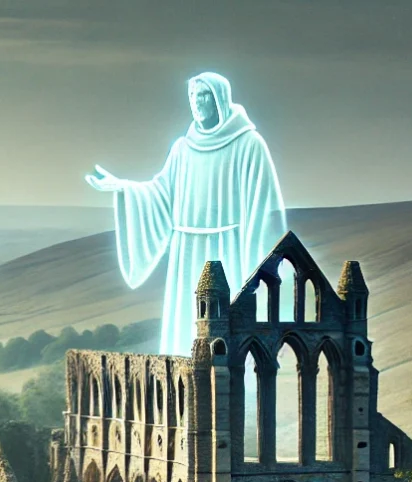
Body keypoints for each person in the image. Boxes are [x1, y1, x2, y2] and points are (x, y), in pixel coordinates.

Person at [86, 71, 286, 356]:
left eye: (203, 95)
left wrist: (255, 270)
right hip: (187, 250)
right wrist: (123, 187)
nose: (196, 101)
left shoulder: (249, 144)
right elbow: (161, 193)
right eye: (192, 95)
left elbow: (264, 209)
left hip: (228, 249)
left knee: (226, 339)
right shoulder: (182, 148)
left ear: (220, 99)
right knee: (186, 329)